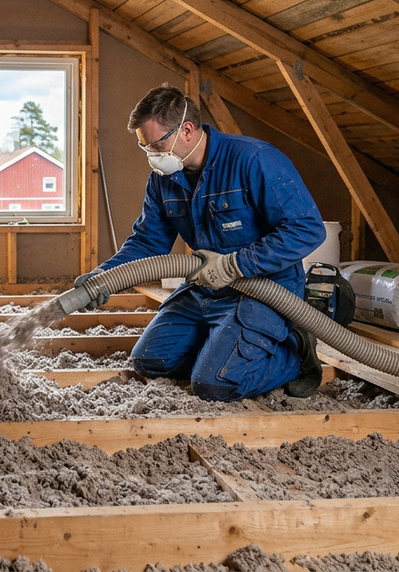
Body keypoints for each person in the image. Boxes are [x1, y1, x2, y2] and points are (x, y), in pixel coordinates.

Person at [75, 84, 327, 401]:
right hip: (205, 289)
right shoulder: (163, 180)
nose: (152, 156)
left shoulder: (253, 160)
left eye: (156, 145)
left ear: (188, 130)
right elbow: (147, 242)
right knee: (149, 361)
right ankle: (223, 348)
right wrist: (103, 278)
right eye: (146, 148)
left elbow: (307, 229)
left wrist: (236, 264)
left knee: (213, 386)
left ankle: (293, 355)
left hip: (264, 292)